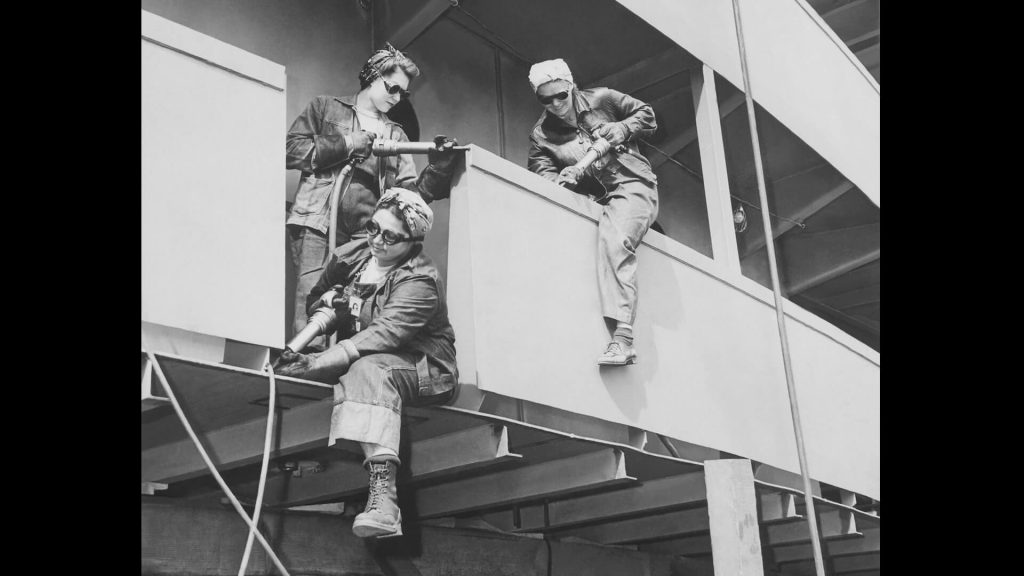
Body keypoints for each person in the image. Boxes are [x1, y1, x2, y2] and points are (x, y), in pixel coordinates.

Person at [274, 188, 457, 539]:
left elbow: (384, 335)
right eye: (374, 228)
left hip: (423, 366)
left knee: (366, 369)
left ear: (412, 241)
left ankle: (385, 505)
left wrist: (316, 363)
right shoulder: (355, 254)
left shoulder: (420, 280)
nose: (377, 240)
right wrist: (327, 303)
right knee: (357, 370)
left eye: (391, 237)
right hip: (362, 359)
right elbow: (316, 296)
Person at [285, 43, 460, 347]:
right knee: (312, 301)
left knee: (356, 309)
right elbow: (291, 151)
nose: (396, 98)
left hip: (367, 234)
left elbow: (408, 198)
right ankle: (303, 367)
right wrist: (348, 143)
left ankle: (340, 374)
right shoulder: (325, 108)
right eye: (392, 88)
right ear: (371, 75)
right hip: (318, 222)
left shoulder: (396, 135)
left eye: (402, 94)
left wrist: (438, 170)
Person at [526, 58, 659, 366]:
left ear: (571, 86)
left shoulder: (602, 98)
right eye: (546, 100)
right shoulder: (541, 135)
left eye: (561, 95)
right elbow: (540, 173)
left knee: (615, 240)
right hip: (591, 202)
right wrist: (563, 180)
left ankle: (623, 338)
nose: (556, 104)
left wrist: (623, 128)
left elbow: (647, 115)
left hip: (631, 185)